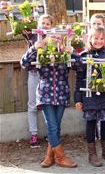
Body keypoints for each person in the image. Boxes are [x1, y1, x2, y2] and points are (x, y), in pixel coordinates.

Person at [21, 16, 79, 168]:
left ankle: (49, 156)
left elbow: (80, 66)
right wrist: (34, 48)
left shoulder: (64, 49)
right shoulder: (40, 47)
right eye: (51, 35)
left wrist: (72, 52)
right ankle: (60, 157)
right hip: (45, 92)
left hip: (61, 92)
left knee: (56, 127)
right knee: (52, 126)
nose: (54, 38)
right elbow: (24, 63)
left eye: (56, 35)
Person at [74, 27, 105, 166]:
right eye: (96, 38)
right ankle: (92, 154)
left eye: (101, 39)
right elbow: (79, 78)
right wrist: (78, 98)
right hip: (89, 95)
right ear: (90, 39)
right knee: (91, 123)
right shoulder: (84, 56)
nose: (98, 41)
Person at [26, 15, 53, 148]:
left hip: (48, 76)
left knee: (48, 105)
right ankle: (34, 134)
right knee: (32, 105)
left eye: (47, 24)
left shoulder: (54, 39)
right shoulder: (32, 38)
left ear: (51, 26)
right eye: (42, 23)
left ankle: (51, 133)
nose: (44, 25)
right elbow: (26, 59)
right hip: (34, 73)